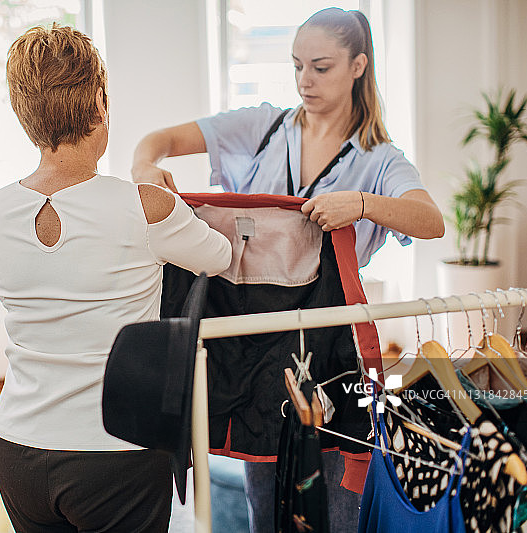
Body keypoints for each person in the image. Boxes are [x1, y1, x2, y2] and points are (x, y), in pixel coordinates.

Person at [131, 7, 444, 533]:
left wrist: (363, 204)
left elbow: (430, 220)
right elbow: (157, 140)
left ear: (358, 65)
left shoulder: (381, 160)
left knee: (335, 498)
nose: (305, 80)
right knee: (265, 498)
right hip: (259, 342)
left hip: (330, 343)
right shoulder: (262, 126)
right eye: (297, 65)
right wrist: (144, 167)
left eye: (320, 67)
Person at [0, 24, 231, 533]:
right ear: (99, 101)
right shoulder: (143, 205)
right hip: (115, 452)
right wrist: (160, 196)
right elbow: (219, 256)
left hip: (17, 449)